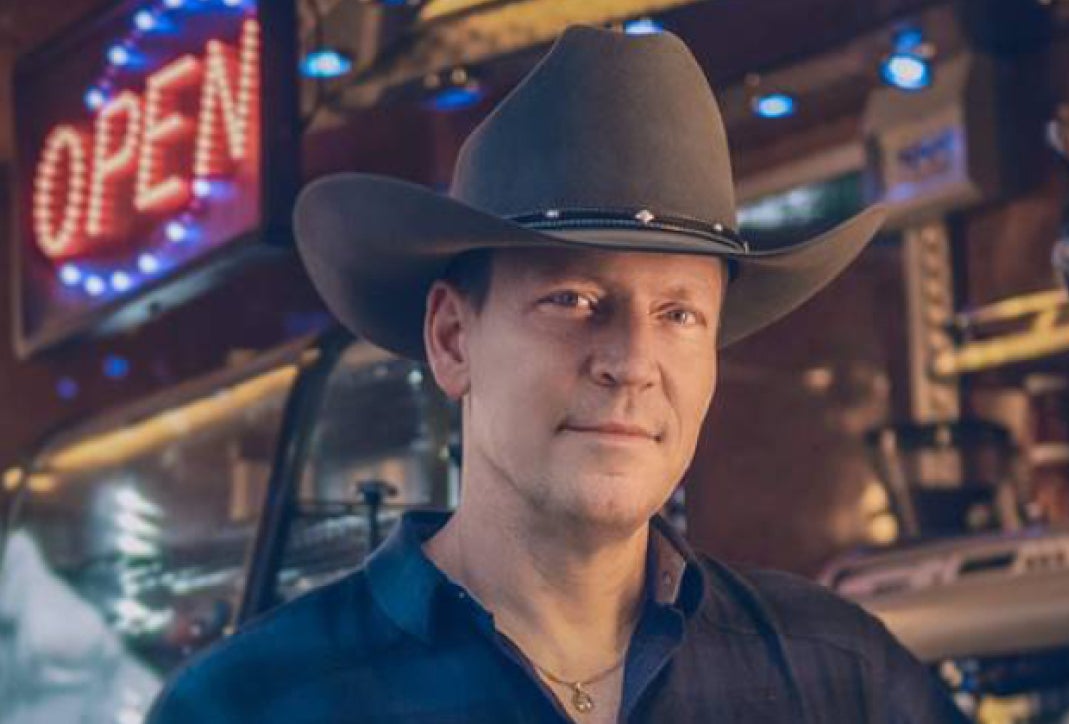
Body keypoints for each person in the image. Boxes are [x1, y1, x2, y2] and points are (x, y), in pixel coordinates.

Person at [147, 25, 968, 723]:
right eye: (572, 300)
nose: (632, 364)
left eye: (678, 314)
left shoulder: (842, 679)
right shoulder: (249, 705)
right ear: (452, 339)